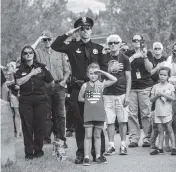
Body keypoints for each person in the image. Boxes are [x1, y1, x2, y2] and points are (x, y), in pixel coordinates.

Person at [51, 17, 107, 164]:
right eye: (81, 28)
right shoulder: (71, 46)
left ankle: (99, 153)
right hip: (77, 88)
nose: (85, 30)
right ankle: (81, 153)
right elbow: (55, 45)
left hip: (94, 89)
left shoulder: (98, 48)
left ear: (91, 29)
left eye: (87, 27)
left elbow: (104, 69)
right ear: (78, 30)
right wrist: (69, 33)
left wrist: (100, 85)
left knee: (97, 120)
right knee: (81, 121)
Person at [32, 31, 71, 145]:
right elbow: (29, 50)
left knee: (60, 113)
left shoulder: (60, 53)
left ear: (53, 39)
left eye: (49, 39)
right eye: (45, 40)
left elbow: (67, 70)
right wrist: (39, 38)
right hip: (45, 86)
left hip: (59, 85)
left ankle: (61, 138)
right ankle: (46, 138)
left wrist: (64, 81)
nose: (47, 42)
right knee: (46, 113)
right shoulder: (38, 53)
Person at [15, 45, 54, 160]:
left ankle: (38, 150)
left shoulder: (41, 68)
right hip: (25, 100)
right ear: (22, 55)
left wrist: (42, 91)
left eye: (30, 52)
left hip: (40, 100)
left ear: (34, 54)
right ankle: (29, 153)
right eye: (26, 53)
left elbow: (51, 81)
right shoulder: (20, 69)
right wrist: (32, 73)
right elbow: (19, 82)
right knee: (27, 127)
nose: (28, 55)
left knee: (40, 126)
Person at [78, 63, 117, 166]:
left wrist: (103, 72)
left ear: (98, 74)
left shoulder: (102, 84)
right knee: (88, 135)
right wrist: (88, 100)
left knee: (97, 135)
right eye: (91, 73)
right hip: (88, 114)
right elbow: (80, 98)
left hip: (99, 114)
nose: (93, 75)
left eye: (96, 73)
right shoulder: (85, 85)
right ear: (87, 74)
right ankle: (86, 157)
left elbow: (114, 80)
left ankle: (98, 155)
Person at [102, 35, 131, 155]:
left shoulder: (124, 58)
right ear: (108, 45)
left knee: (123, 121)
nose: (113, 45)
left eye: (115, 42)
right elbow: (101, 75)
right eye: (110, 43)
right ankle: (111, 145)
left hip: (121, 93)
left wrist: (128, 95)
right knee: (110, 121)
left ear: (120, 44)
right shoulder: (103, 58)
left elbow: (129, 78)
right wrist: (111, 68)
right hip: (108, 93)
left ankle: (123, 145)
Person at [125, 34, 153, 148]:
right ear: (132, 42)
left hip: (145, 87)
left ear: (142, 41)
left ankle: (147, 138)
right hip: (131, 87)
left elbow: (150, 69)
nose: (136, 41)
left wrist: (144, 56)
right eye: (134, 40)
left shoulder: (148, 53)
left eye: (139, 40)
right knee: (132, 114)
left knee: (146, 114)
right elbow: (124, 65)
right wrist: (134, 56)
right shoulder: (128, 53)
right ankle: (134, 139)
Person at [150, 66, 176, 155]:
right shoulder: (155, 86)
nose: (162, 76)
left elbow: (173, 98)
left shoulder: (170, 86)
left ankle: (174, 147)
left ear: (168, 76)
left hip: (167, 112)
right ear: (158, 75)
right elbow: (151, 99)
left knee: (169, 129)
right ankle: (160, 148)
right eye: (161, 74)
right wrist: (157, 95)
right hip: (158, 112)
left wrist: (163, 94)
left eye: (164, 75)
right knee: (160, 130)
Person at [148, 42, 167, 149]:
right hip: (153, 88)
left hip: (165, 89)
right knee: (154, 115)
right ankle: (151, 140)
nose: (157, 50)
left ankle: (166, 143)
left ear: (162, 49)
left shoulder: (166, 59)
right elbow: (148, 73)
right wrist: (157, 67)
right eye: (155, 48)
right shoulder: (151, 60)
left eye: (159, 48)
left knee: (166, 115)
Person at [6, 62, 21, 137]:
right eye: (8, 67)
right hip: (14, 95)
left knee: (22, 113)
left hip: (22, 94)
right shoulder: (9, 75)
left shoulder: (18, 72)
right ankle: (18, 132)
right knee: (17, 113)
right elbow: (6, 83)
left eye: (10, 66)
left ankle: (21, 131)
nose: (8, 68)